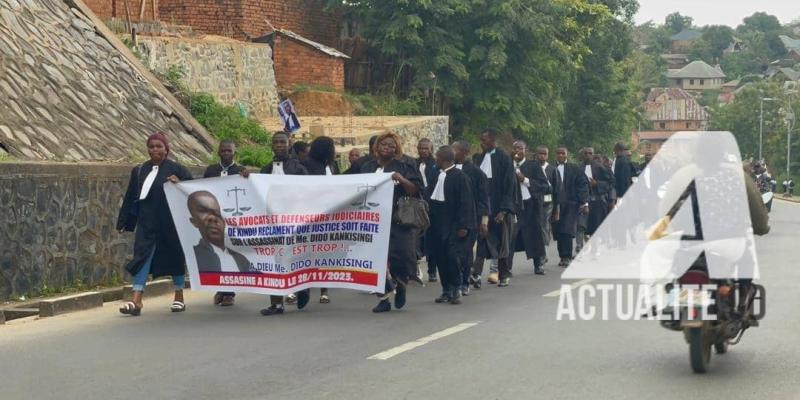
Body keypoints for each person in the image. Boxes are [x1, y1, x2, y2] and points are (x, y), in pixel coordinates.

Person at [117, 132, 193, 316]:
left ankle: (179, 296)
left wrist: (179, 183)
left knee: (175, 258)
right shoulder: (140, 170)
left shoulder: (177, 168)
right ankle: (136, 301)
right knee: (142, 257)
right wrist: (124, 221)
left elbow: (192, 189)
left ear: (166, 149)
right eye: (151, 147)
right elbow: (131, 196)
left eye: (159, 146)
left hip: (170, 223)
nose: (155, 150)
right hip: (147, 223)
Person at [360, 132, 423, 312]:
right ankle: (384, 297)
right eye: (384, 145)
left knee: (399, 257)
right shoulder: (367, 166)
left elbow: (416, 191)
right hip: (372, 220)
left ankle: (401, 284)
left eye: (392, 146)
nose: (388, 148)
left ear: (397, 148)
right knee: (375, 260)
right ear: (377, 147)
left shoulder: (405, 166)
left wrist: (402, 179)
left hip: (397, 220)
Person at [259, 132, 310, 316]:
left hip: (294, 223)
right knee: (274, 263)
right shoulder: (265, 169)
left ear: (289, 145)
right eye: (276, 142)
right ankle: (276, 304)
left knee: (294, 260)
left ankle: (303, 288)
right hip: (272, 224)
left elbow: (307, 192)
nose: (279, 145)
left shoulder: (298, 168)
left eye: (282, 142)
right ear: (271, 146)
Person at [202, 140, 249, 307]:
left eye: (229, 150)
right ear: (218, 153)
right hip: (215, 220)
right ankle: (220, 289)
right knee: (217, 254)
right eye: (223, 151)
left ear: (234, 153)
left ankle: (230, 292)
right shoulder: (211, 170)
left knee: (231, 254)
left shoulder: (240, 171)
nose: (226, 153)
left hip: (233, 221)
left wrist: (247, 178)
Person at [426, 146, 475, 304]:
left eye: (437, 157)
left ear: (443, 159)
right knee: (440, 257)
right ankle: (446, 289)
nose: (435, 159)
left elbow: (466, 203)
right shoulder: (436, 175)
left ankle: (456, 288)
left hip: (454, 225)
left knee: (452, 257)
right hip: (437, 224)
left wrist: (463, 226)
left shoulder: (460, 177)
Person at [471, 129, 520, 287]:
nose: (481, 143)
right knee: (482, 239)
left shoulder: (504, 159)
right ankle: (476, 274)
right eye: (481, 140)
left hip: (499, 208)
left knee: (501, 242)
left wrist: (504, 210)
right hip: (484, 208)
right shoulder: (478, 159)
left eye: (484, 141)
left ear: (493, 141)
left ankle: (503, 274)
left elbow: (509, 186)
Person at [301, 136, 340, 303]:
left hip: (329, 216)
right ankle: (304, 287)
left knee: (325, 253)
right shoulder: (306, 164)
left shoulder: (332, 165)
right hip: (310, 214)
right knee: (307, 253)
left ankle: (324, 290)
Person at [452, 140, 489, 293]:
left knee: (465, 253)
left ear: (465, 152)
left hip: (470, 220)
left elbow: (483, 199)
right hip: (451, 219)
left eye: (455, 149)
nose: (452, 152)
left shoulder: (477, 173)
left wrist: (484, 220)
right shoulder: (448, 170)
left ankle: (464, 282)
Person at [511, 140, 550, 275]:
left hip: (531, 206)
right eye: (515, 148)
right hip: (513, 206)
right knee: (511, 236)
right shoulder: (508, 165)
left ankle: (538, 264)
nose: (517, 151)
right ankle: (506, 268)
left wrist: (525, 180)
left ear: (525, 150)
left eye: (520, 148)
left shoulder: (533, 166)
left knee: (535, 235)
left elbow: (544, 185)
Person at [188, 191, 251, 274]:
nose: (212, 217)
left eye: (217, 213)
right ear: (194, 221)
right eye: (203, 211)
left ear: (224, 221)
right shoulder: (191, 256)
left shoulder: (241, 259)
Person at [552, 146, 589, 267]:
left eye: (563, 153)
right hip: (556, 204)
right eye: (558, 153)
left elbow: (583, 185)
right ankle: (562, 256)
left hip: (571, 204)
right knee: (558, 230)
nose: (561, 155)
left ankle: (566, 256)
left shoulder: (575, 168)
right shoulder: (551, 168)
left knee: (567, 230)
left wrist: (584, 202)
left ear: (566, 155)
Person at [416, 138, 439, 282]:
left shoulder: (436, 165)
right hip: (417, 202)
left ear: (431, 149)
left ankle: (432, 270)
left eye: (426, 148)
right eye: (421, 148)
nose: (423, 151)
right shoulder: (414, 163)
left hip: (431, 203)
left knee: (432, 237)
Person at [582, 147, 614, 242]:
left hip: (598, 201)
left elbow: (611, 182)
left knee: (596, 225)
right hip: (583, 200)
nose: (588, 155)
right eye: (586, 153)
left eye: (590, 153)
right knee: (583, 225)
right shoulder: (579, 167)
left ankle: (595, 248)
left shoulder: (600, 167)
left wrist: (597, 184)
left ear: (593, 154)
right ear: (583, 155)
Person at [536, 145, 557, 265]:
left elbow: (556, 189)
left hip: (548, 202)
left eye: (544, 154)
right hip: (534, 201)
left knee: (543, 225)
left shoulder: (552, 169)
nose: (542, 156)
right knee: (537, 227)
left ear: (547, 155)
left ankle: (543, 254)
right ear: (536, 154)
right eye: (540, 153)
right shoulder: (532, 168)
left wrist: (557, 207)